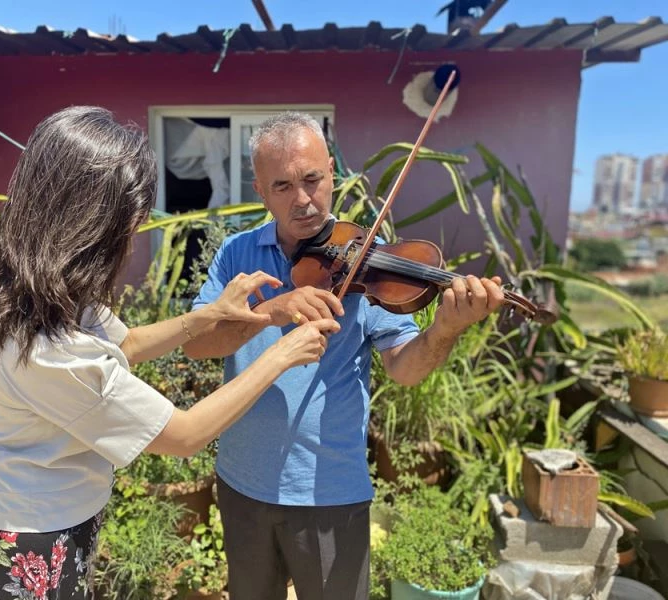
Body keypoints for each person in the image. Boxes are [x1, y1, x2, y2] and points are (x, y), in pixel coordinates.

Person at [0, 106, 340, 600]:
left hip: (6, 516)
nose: (130, 240)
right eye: (124, 226)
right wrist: (281, 354)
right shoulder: (51, 351)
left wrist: (207, 316)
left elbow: (125, 342)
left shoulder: (34, 296)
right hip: (28, 549)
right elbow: (185, 434)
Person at [184, 111, 505, 600]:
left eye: (312, 179)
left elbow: (405, 367)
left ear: (331, 171)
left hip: (330, 493)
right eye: (283, 185)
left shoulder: (368, 260)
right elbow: (195, 341)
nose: (303, 199)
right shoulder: (235, 253)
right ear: (261, 191)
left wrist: (445, 328)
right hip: (242, 483)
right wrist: (270, 311)